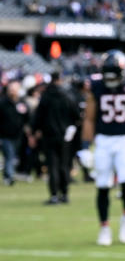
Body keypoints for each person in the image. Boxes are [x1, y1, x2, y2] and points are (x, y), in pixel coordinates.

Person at [78, 50, 125, 246]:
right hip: (103, 140)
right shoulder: (95, 86)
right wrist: (86, 146)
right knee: (102, 186)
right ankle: (104, 228)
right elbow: (89, 117)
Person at [32, 71, 80, 205]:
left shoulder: (46, 96)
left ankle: (54, 195)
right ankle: (64, 194)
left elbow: (38, 116)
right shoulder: (67, 95)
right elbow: (76, 115)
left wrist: (35, 131)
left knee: (52, 165)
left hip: (49, 135)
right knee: (64, 165)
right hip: (65, 136)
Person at [0, 79, 28, 185]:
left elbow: (27, 117)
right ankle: (9, 176)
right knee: (9, 155)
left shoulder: (21, 103)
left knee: (12, 156)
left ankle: (8, 174)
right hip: (5, 135)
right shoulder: (2, 103)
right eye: (11, 89)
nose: (13, 91)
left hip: (18, 135)